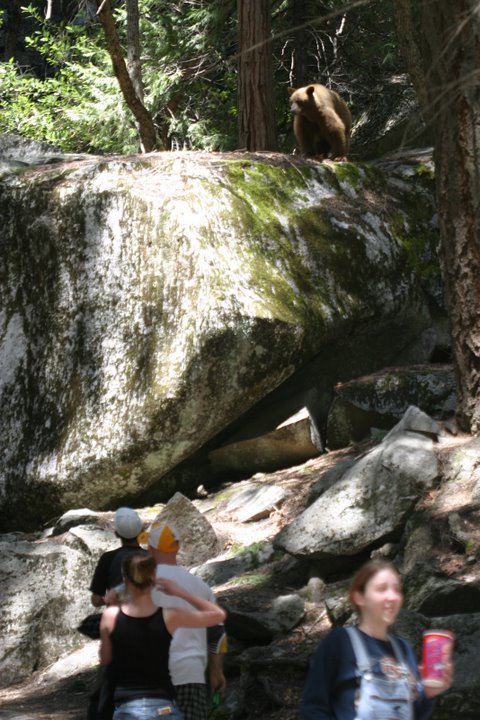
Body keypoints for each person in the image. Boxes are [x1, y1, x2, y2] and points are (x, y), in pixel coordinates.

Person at [299, 559, 453, 720]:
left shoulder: (403, 649)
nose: (392, 597)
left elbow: (414, 713)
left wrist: (427, 693)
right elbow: (312, 708)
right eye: (382, 589)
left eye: (397, 590)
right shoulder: (340, 641)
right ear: (359, 597)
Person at [99, 552, 226, 720]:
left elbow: (105, 659)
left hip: (127, 706)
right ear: (153, 578)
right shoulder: (169, 616)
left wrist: (113, 602)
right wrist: (180, 592)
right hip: (164, 706)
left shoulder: (110, 616)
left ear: (125, 579)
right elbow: (217, 616)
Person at [147, 522, 227, 720]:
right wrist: (216, 672)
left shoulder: (139, 585)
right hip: (191, 676)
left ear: (150, 549)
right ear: (178, 548)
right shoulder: (201, 587)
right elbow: (217, 635)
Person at [90, 507, 146, 607]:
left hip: (118, 619)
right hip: (149, 618)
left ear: (116, 533)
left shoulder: (107, 559)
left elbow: (96, 601)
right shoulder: (153, 557)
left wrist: (111, 598)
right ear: (141, 531)